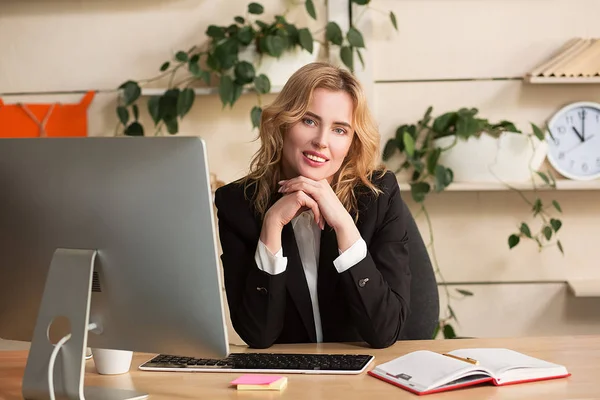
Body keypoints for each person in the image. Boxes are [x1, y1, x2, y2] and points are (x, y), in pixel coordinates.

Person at [214, 62, 411, 349]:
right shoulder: (237, 204)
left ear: (352, 142)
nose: (321, 141)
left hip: (358, 382)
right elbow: (258, 335)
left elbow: (384, 331)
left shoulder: (378, 195)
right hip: (288, 383)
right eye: (309, 120)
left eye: (340, 130)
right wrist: (271, 226)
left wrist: (344, 226)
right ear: (283, 122)